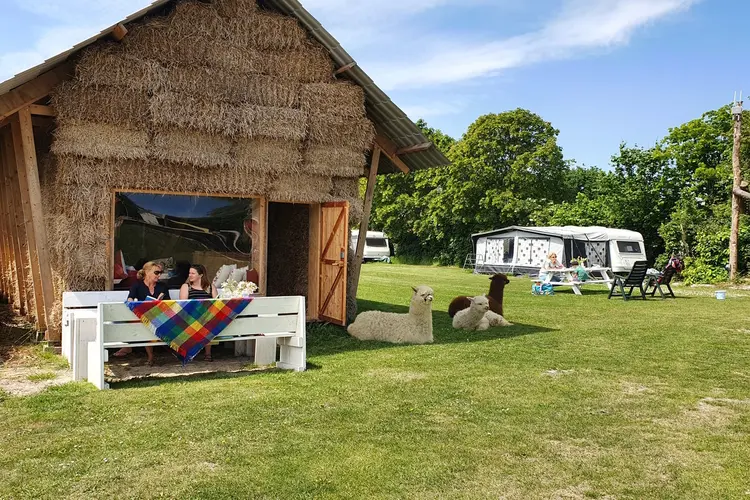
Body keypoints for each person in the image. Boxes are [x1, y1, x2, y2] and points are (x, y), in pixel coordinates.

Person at [113, 261, 169, 365]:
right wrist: (132, 302)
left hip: (159, 315)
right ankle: (150, 356)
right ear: (147, 272)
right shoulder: (137, 285)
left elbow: (168, 303)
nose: (159, 275)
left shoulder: (163, 286)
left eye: (160, 272)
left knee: (148, 323)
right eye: (156, 272)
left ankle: (147, 355)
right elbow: (130, 298)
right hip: (143, 316)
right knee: (144, 322)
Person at [179, 264, 218, 361]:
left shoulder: (210, 287)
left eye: (193, 273)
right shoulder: (186, 287)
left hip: (207, 315)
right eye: (189, 273)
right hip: (190, 316)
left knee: (208, 323)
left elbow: (216, 302)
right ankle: (189, 353)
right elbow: (183, 304)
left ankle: (208, 353)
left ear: (200, 275)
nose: (190, 275)